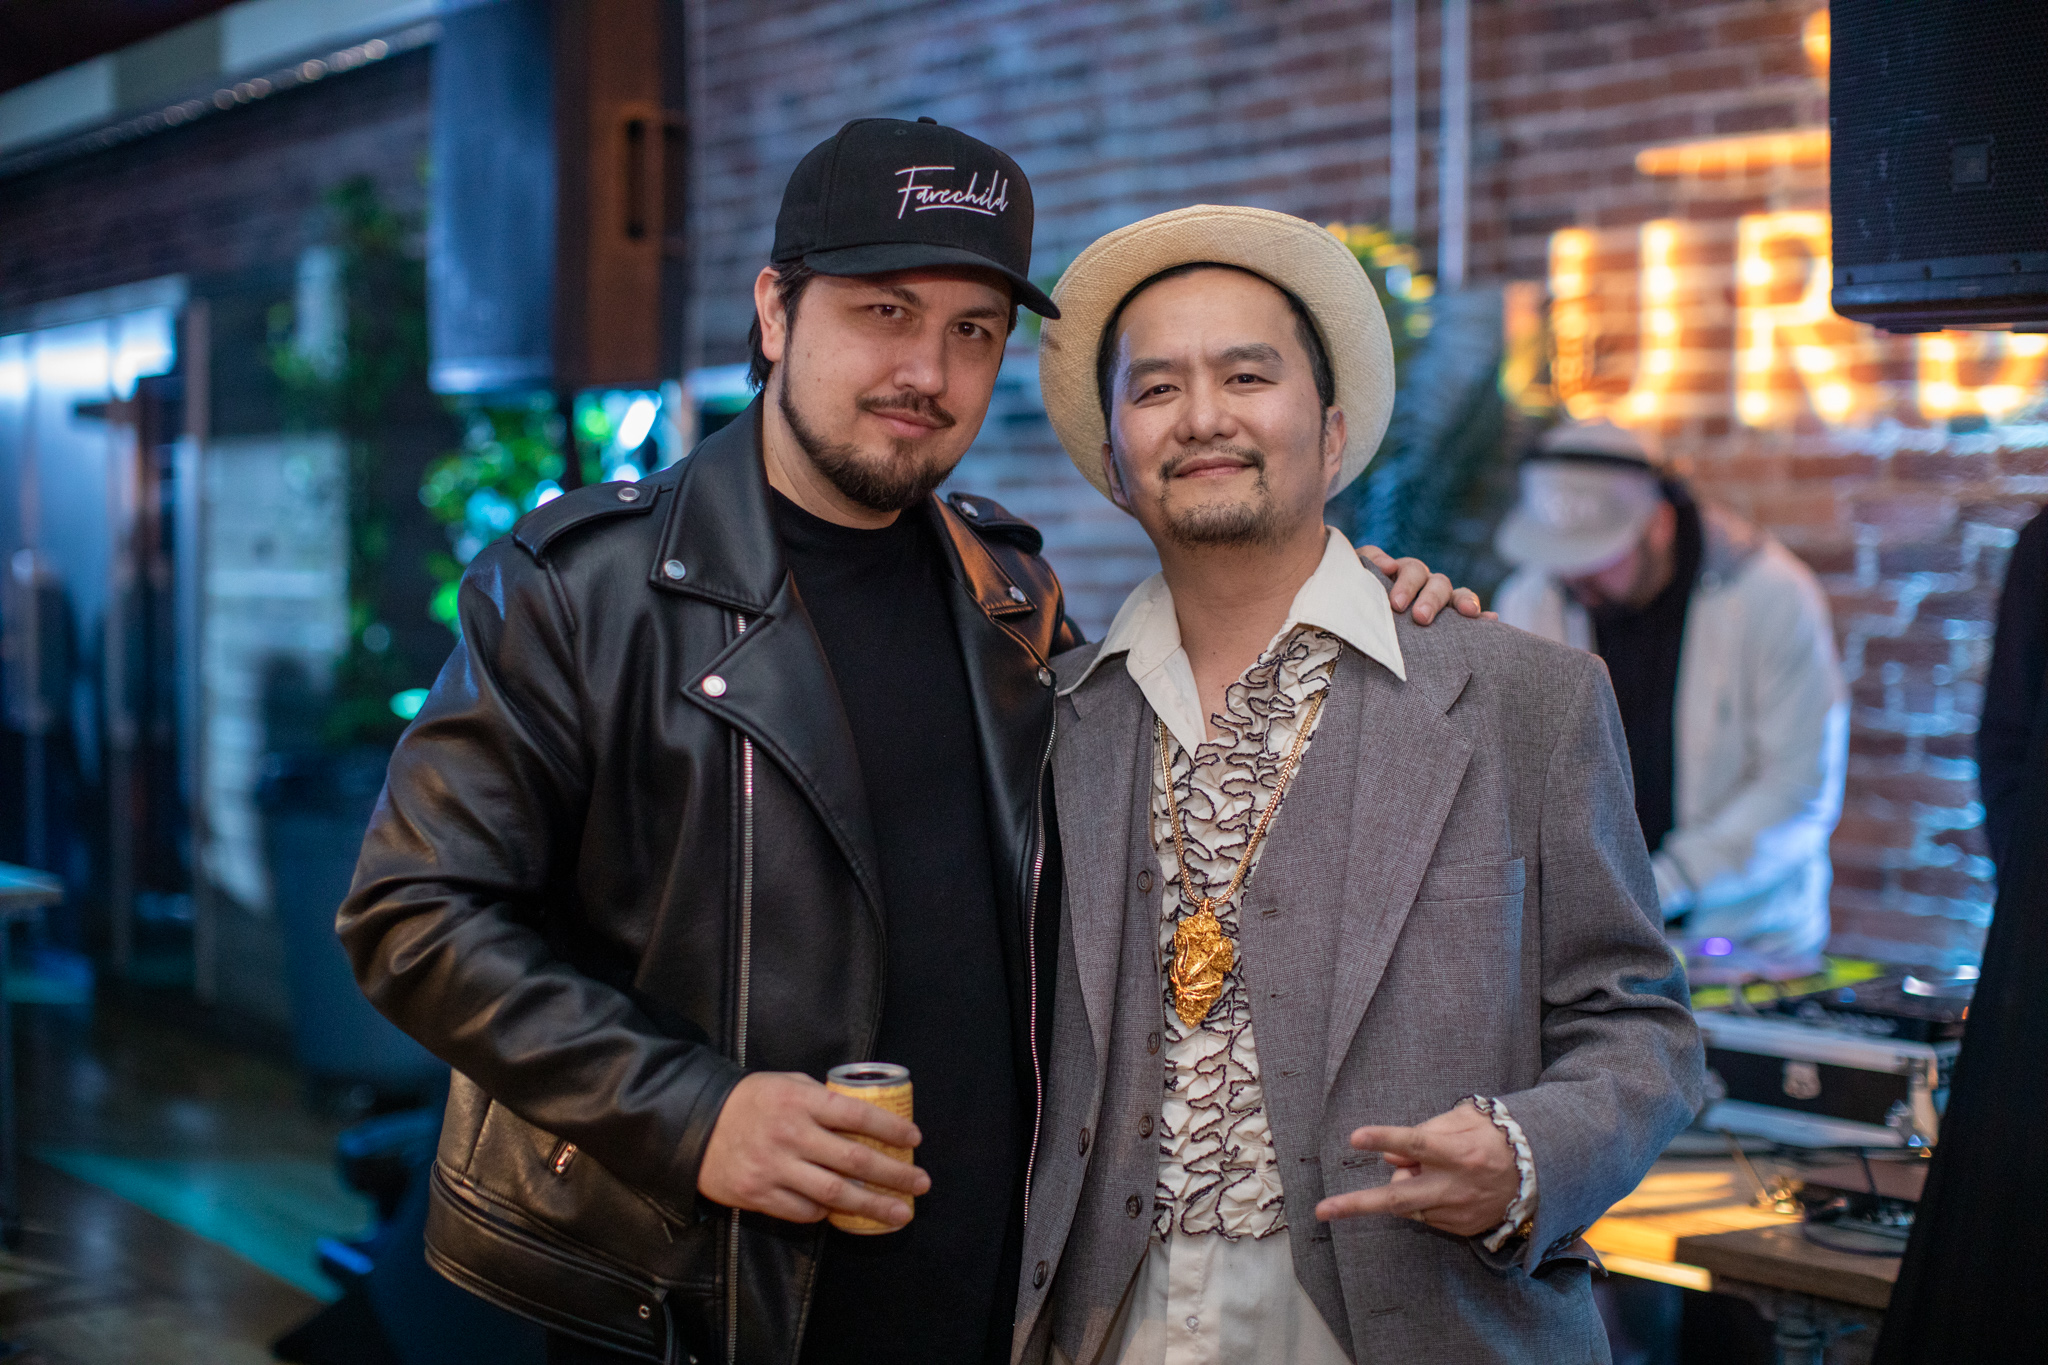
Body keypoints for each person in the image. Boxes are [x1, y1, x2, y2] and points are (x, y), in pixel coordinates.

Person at [337, 122, 1472, 1365]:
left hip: (995, 1299)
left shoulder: (1012, 599)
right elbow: (413, 914)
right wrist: (692, 1111)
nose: (926, 370)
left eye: (972, 330)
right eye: (883, 311)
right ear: (775, 311)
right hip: (708, 1300)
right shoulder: (582, 590)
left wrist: (1351, 605)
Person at [1014, 205, 1705, 1365]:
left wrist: (1525, 1155)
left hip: (1417, 1322)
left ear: (1330, 435)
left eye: (1246, 375)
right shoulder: (1044, 724)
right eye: (1156, 389)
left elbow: (1639, 1026)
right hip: (1111, 1327)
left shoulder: (1523, 698)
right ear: (1115, 464)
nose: (1203, 416)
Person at [1491, 420, 1848, 982]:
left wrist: (1661, 884)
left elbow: (1798, 790)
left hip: (1746, 947)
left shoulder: (1773, 596)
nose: (1573, 574)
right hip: (1592, 948)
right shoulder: (1532, 597)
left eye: (1594, 553)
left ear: (1657, 524)